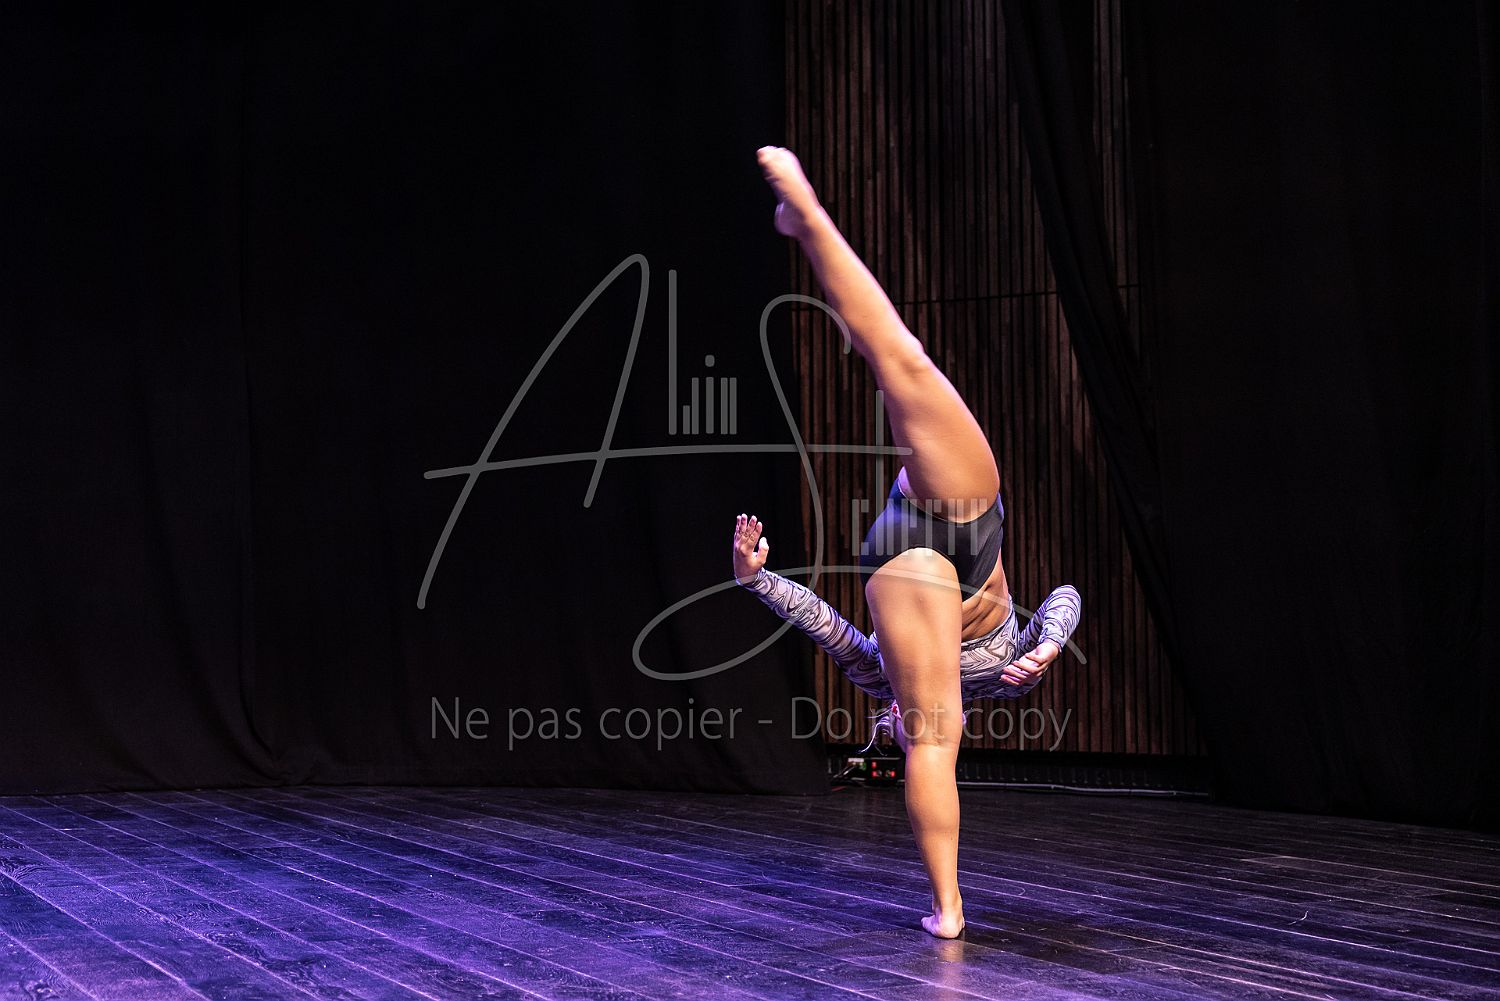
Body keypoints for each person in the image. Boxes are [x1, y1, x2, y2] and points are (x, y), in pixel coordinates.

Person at [733, 146, 1081, 940]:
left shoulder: (875, 672)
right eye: (889, 732)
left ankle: (949, 909)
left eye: (880, 730)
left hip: (908, 563)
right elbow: (1065, 595)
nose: (884, 725)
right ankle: (805, 221)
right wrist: (1050, 644)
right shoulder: (1000, 686)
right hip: (970, 529)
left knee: (931, 736)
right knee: (905, 362)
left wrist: (754, 579)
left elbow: (821, 622)